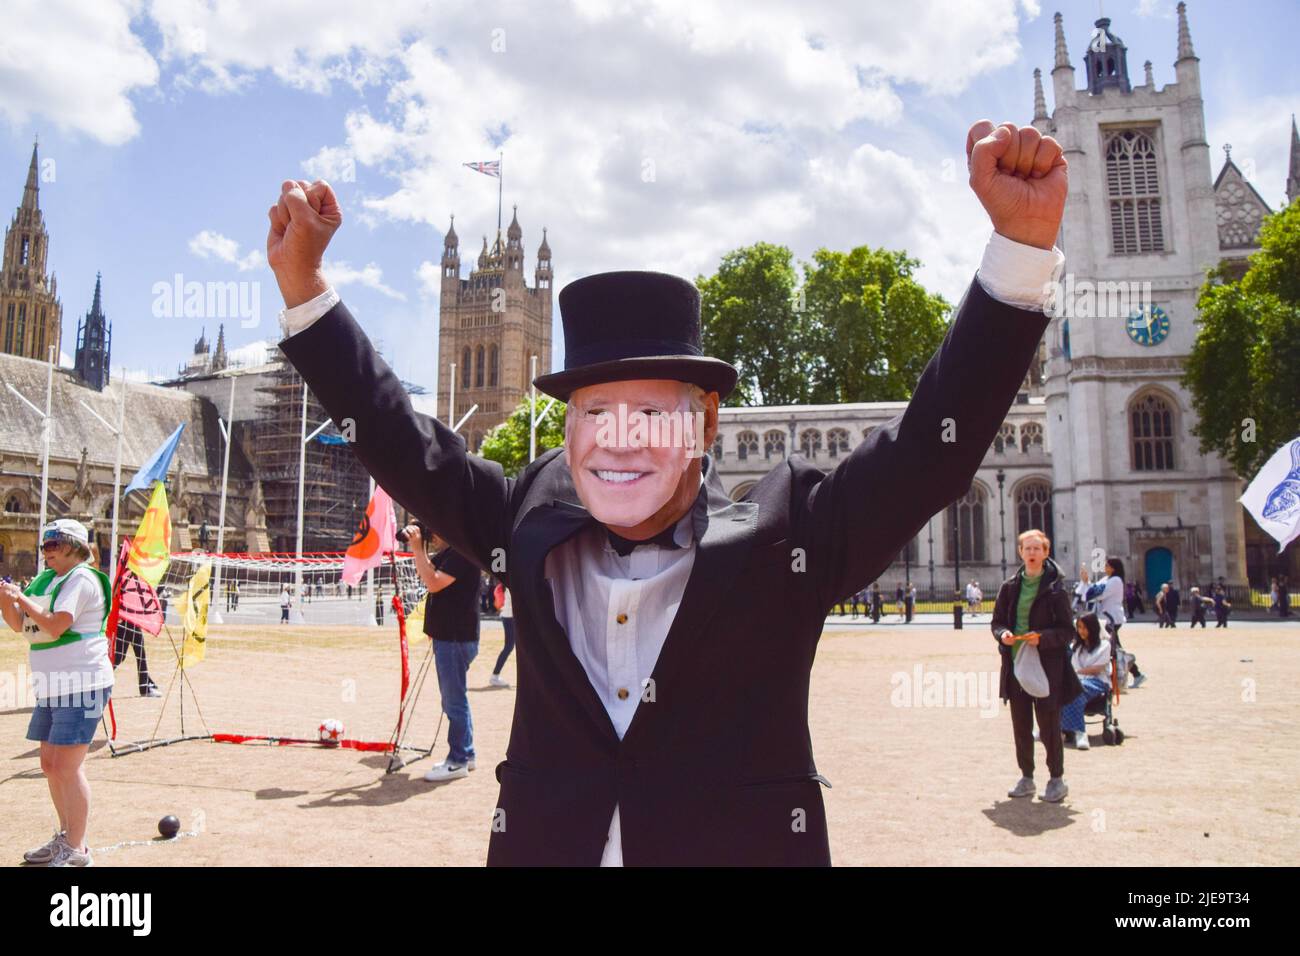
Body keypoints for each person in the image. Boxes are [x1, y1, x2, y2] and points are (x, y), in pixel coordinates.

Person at [270, 117, 1069, 864]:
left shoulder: (784, 538)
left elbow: (928, 452)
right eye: (594, 411)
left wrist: (1018, 251)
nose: (617, 439)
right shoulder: (527, 519)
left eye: (650, 412)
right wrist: (305, 285)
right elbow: (397, 440)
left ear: (706, 423)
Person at [1, 519, 114, 867]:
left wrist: (20, 597)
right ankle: (65, 837)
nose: (46, 550)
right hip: (52, 684)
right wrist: (7, 600)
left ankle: (77, 849)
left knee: (67, 766)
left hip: (82, 682)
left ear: (74, 546)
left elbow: (56, 623)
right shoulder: (48, 580)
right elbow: (21, 625)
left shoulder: (82, 577)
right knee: (50, 765)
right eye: (44, 544)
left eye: (54, 543)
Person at [991, 530, 1080, 803]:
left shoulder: (1056, 590)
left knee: (1049, 725)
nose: (1031, 553)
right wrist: (1003, 634)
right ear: (1020, 552)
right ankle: (1026, 777)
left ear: (1045, 552)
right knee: (1021, 725)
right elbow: (997, 622)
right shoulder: (1009, 586)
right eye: (1027, 548)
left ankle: (1056, 779)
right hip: (1016, 665)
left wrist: (1042, 638)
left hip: (1046, 667)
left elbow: (1068, 631)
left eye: (1036, 549)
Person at [406, 526, 481, 781]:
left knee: (453, 702)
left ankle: (457, 760)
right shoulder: (451, 553)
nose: (432, 539)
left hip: (454, 640)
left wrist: (417, 547)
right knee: (458, 698)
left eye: (434, 533)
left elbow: (433, 582)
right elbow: (426, 571)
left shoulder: (461, 554)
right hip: (451, 638)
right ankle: (467, 755)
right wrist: (421, 547)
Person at [1076, 557, 1145, 688]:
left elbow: (1098, 594)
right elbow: (1094, 589)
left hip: (1111, 618)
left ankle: (1131, 674)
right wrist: (1086, 581)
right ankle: (1134, 674)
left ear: (1113, 567)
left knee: (1113, 648)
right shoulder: (1108, 579)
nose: (1104, 568)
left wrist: (1087, 583)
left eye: (1107, 566)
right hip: (1106, 618)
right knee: (1114, 648)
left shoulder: (1115, 580)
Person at [1059, 611, 1110, 750]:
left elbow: (1098, 668)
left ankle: (1080, 732)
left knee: (1076, 688)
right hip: (1077, 680)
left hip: (1097, 681)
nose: (1081, 631)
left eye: (1084, 627)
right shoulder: (1076, 647)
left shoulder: (1104, 645)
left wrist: (1077, 673)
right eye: (1079, 627)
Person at [112, 618, 161, 697]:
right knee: (120, 657)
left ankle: (145, 687)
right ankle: (101, 676)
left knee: (139, 653)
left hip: (132, 622)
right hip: (125, 623)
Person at [491, 582, 515, 688]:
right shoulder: (511, 584)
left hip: (508, 616)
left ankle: (495, 675)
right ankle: (495, 676)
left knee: (509, 647)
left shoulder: (507, 582)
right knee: (509, 647)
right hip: (510, 617)